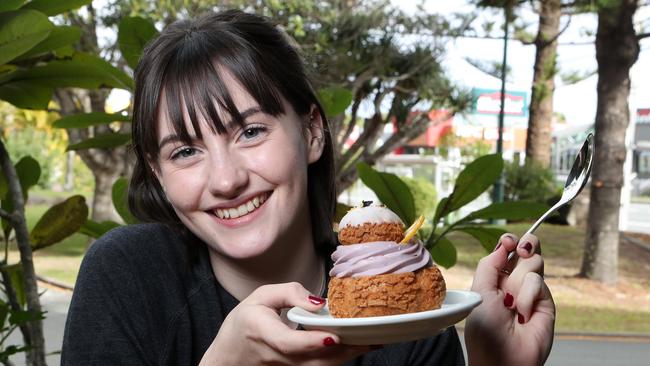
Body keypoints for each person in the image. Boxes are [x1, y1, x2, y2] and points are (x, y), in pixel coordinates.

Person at [61, 9, 555, 366]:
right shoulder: (129, 278)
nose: (227, 179)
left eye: (250, 131)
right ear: (159, 173)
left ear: (313, 131)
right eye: (184, 151)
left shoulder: (403, 315)